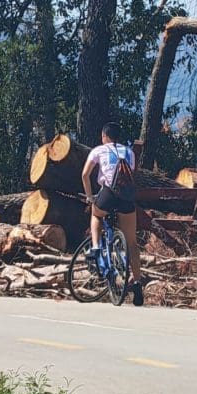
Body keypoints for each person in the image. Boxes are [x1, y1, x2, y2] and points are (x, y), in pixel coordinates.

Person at [81, 122, 142, 305]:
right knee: (132, 243)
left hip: (108, 194)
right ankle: (137, 283)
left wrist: (90, 196)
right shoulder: (129, 152)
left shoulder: (98, 150)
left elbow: (85, 174)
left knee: (96, 214)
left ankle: (95, 247)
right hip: (126, 197)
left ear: (104, 136)